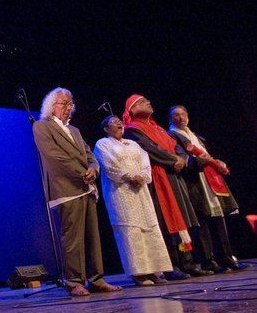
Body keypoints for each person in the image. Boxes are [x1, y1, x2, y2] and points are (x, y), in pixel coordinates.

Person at [33, 88, 122, 296]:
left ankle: (96, 279)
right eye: (64, 103)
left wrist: (93, 168)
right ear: (51, 106)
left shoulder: (74, 130)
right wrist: (81, 173)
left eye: (70, 104)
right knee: (72, 238)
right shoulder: (41, 126)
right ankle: (74, 281)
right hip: (67, 188)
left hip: (86, 187)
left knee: (93, 237)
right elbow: (54, 157)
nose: (68, 107)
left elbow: (90, 154)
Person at [122, 94, 212, 279]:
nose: (148, 102)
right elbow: (151, 149)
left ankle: (187, 262)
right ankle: (172, 265)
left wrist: (185, 160)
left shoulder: (158, 128)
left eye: (148, 100)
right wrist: (174, 160)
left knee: (182, 219)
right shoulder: (133, 130)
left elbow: (175, 146)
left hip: (173, 175)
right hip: (158, 177)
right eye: (142, 102)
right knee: (167, 220)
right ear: (132, 109)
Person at [94, 115, 172, 286]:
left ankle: (154, 270)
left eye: (119, 121)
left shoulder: (133, 144)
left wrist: (142, 176)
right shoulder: (103, 144)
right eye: (114, 123)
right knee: (130, 229)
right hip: (121, 192)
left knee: (148, 226)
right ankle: (138, 273)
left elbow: (145, 162)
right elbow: (109, 165)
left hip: (140, 191)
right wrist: (129, 176)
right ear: (106, 129)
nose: (119, 124)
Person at [168, 105, 246, 272]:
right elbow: (183, 160)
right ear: (170, 119)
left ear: (188, 117)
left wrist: (216, 162)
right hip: (194, 181)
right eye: (176, 115)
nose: (180, 118)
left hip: (209, 180)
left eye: (183, 114)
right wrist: (203, 161)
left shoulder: (194, 135)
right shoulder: (172, 135)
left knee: (218, 220)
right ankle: (208, 261)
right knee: (202, 221)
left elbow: (205, 155)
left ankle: (226, 258)